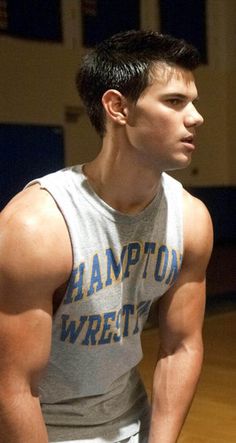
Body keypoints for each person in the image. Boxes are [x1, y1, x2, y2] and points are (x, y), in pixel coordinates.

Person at [0, 30, 213, 443]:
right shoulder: (35, 228)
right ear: (118, 107)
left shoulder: (191, 219)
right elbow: (12, 386)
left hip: (132, 420)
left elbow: (181, 347)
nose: (196, 117)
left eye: (193, 102)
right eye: (174, 102)